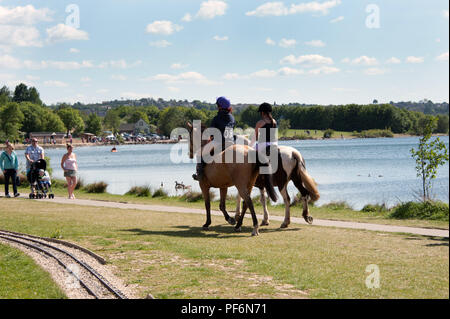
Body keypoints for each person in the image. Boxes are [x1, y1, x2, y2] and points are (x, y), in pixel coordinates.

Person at [192, 96, 236, 181]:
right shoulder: (232, 117)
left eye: (217, 105)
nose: (217, 106)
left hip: (219, 143)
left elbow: (211, 132)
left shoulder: (217, 118)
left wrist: (210, 138)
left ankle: (200, 174)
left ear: (220, 106)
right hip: (231, 143)